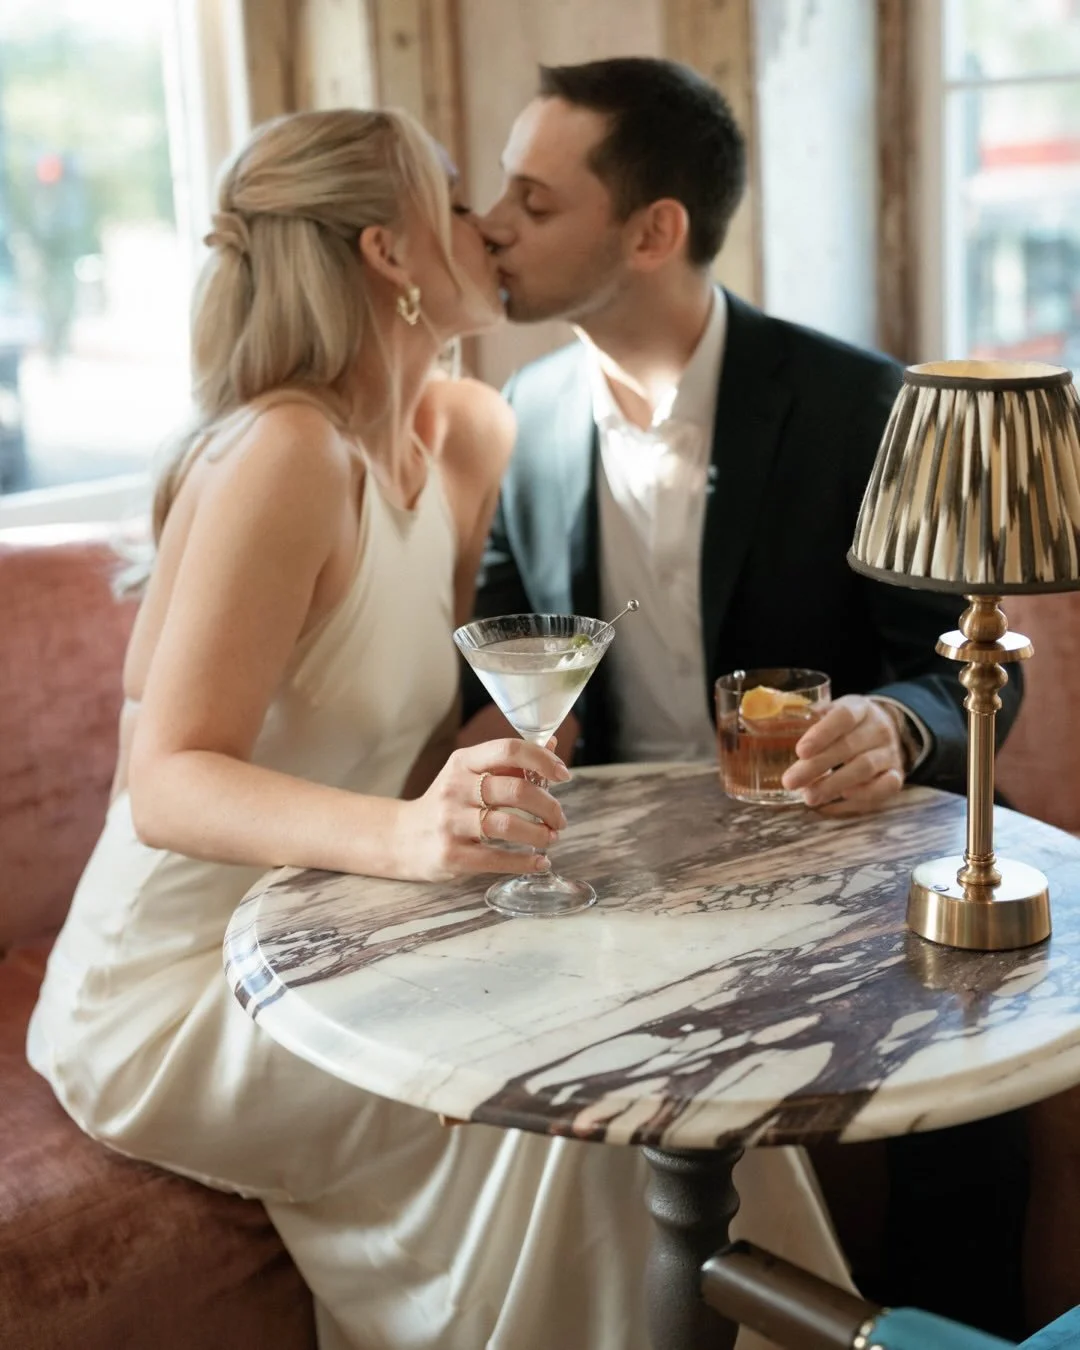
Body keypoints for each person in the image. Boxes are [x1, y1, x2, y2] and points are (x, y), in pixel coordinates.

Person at [25, 106, 850, 1350]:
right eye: (456, 194)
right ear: (391, 254)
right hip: (195, 986)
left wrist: (490, 745)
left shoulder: (465, 435)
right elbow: (169, 783)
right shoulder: (285, 453)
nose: (487, 224)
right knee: (578, 1106)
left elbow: (398, 740)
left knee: (675, 1064)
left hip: (340, 922)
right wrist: (420, 838)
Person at [462, 57, 1029, 1340]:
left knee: (964, 1042)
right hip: (608, 882)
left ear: (653, 230)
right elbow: (496, 671)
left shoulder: (854, 402)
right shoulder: (529, 412)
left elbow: (960, 668)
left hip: (834, 858)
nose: (492, 222)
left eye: (534, 201)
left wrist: (897, 727)